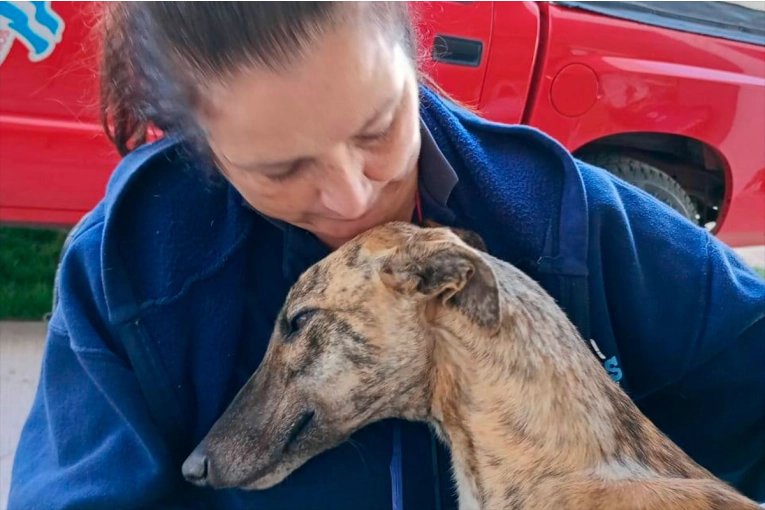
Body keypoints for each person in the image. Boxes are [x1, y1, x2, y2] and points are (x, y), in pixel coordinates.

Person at [8, 1, 765, 509]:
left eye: (377, 128)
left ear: (414, 54)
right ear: (196, 149)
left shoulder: (570, 218)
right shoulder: (131, 272)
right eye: (282, 170)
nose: (349, 196)